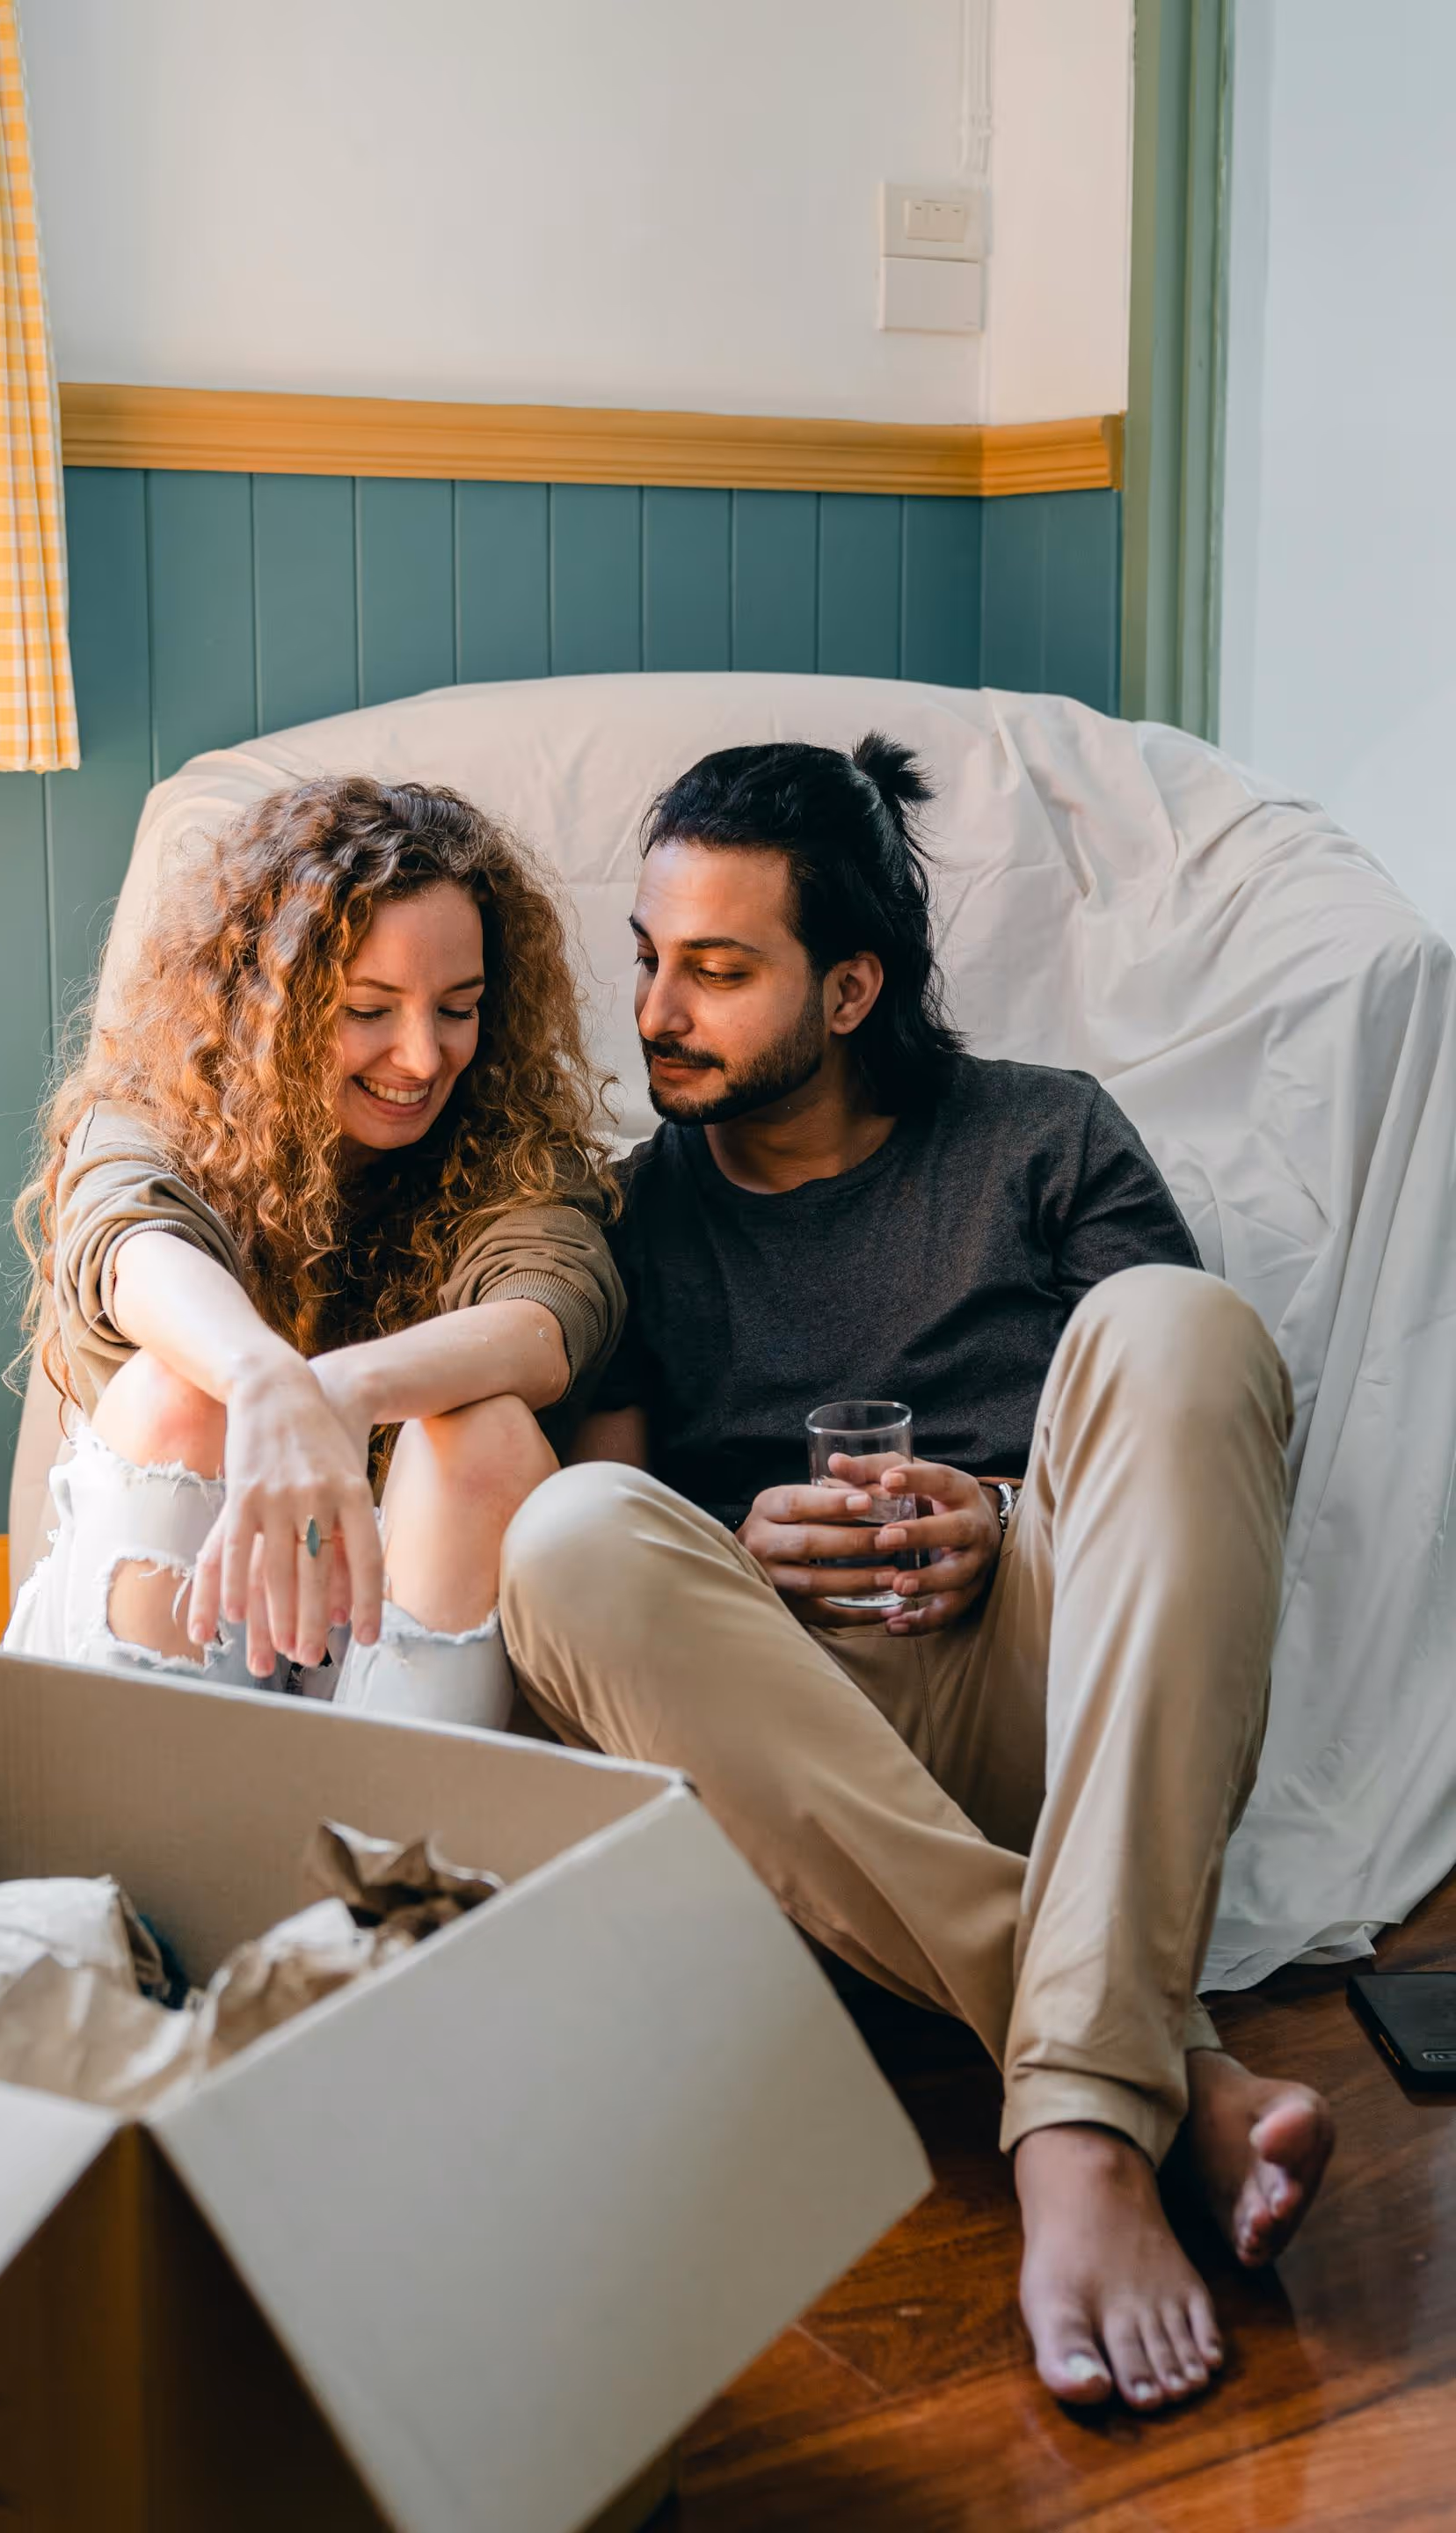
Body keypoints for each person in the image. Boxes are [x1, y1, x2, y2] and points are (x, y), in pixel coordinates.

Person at [498, 734, 1335, 2413]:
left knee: (1179, 1326)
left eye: (721, 971)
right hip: (801, 1749)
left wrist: (1006, 1506)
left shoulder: (1044, 1137)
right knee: (567, 1537)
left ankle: (1074, 2129)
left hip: (1055, 1682)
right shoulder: (633, 1217)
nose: (659, 1010)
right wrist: (736, 1540)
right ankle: (1132, 2068)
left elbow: (1189, 1452)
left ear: (853, 984)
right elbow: (618, 1554)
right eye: (650, 960)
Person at [8, 772, 621, 1725]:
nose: (422, 1058)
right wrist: (265, 1385)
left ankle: (396, 1861)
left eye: (457, 1008)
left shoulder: (510, 1143)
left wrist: (341, 1391)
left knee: (483, 1435)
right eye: (368, 1011)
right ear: (269, 1004)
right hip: (153, 1629)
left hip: (387, 1650)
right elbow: (130, 1242)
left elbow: (549, 1315)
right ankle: (138, 1829)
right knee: (184, 1393)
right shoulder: (151, 1112)